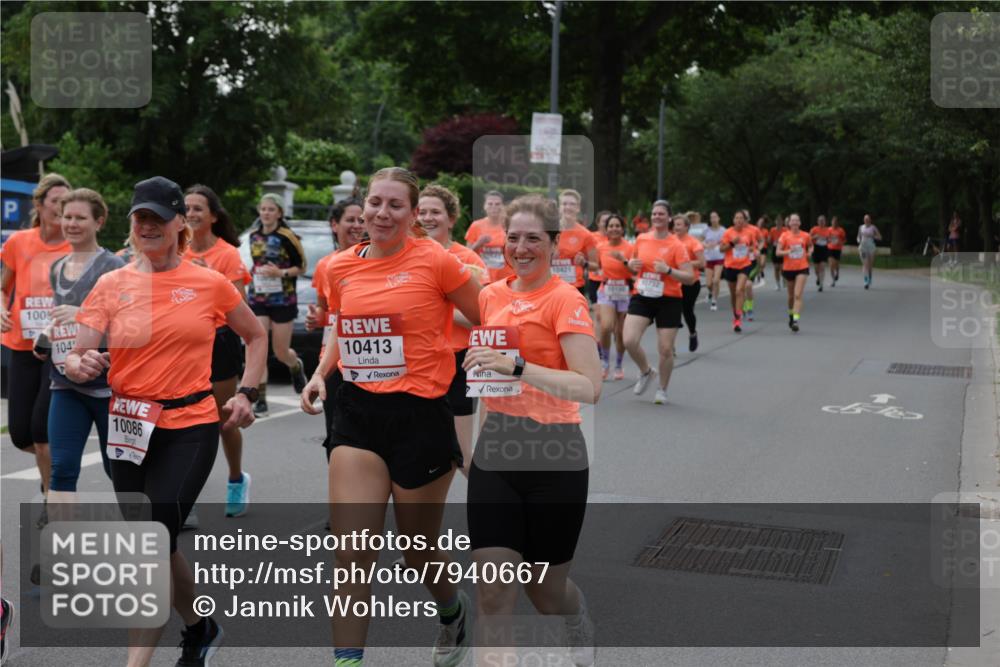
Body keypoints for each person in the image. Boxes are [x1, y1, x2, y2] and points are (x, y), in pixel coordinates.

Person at [65, 176, 266, 667]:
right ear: (131, 225)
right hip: (128, 425)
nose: (149, 225)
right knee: (154, 539)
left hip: (190, 422)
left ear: (181, 223)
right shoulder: (111, 284)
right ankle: (200, 626)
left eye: (158, 217)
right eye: (141, 218)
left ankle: (136, 663)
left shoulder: (208, 282)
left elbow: (256, 336)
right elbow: (78, 353)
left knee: (150, 545)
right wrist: (78, 364)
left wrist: (246, 392)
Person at [300, 168, 482, 667]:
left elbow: (487, 316)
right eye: (374, 204)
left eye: (394, 206)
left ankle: (452, 611)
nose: (381, 214)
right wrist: (321, 372)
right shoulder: (340, 267)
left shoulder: (437, 261)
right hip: (357, 412)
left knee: (417, 548)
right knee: (352, 552)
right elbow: (342, 324)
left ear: (412, 213)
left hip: (421, 414)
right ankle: (347, 661)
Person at [462, 194, 601, 667]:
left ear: (554, 245)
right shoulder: (490, 294)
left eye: (533, 239)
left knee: (546, 594)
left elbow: (589, 386)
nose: (521, 248)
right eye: (513, 238)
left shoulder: (566, 299)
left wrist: (517, 366)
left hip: (556, 455)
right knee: (493, 595)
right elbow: (484, 376)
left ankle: (576, 612)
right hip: (498, 450)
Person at [38, 189, 124, 504]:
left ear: (99, 222)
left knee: (117, 468)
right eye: (67, 217)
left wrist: (82, 315)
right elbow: (63, 318)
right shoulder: (57, 266)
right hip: (65, 382)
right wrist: (47, 335)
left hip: (108, 386)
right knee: (62, 467)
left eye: (80, 218)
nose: (72, 224)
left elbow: (127, 323)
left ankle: (165, 512)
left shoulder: (113, 265)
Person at [1, 173, 71, 508]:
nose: (62, 208)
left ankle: (51, 498)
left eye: (67, 202)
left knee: (42, 431)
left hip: (59, 348)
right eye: (56, 201)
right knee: (20, 434)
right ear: (40, 205)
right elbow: (2, 286)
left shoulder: (77, 246)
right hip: (20, 345)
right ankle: (56, 466)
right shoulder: (19, 243)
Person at [183, 184, 253, 518]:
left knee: (223, 421)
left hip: (220, 341)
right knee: (183, 420)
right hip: (182, 342)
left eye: (198, 208)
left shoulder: (226, 255)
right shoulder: (174, 250)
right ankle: (184, 495)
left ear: (213, 215)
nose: (192, 214)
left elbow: (239, 308)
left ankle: (236, 479)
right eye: (187, 208)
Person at [418, 183, 488, 476]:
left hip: (458, 360)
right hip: (418, 362)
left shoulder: (468, 260)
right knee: (422, 453)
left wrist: (439, 309)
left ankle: (492, 506)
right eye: (421, 211)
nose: (427, 218)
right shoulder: (406, 255)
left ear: (451, 218)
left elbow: (484, 317)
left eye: (436, 212)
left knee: (461, 455)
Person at [305, 197, 365, 461]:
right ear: (334, 224)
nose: (356, 225)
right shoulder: (326, 265)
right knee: (335, 431)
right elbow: (324, 310)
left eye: (361, 220)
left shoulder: (373, 260)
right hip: (331, 359)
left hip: (366, 357)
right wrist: (315, 319)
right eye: (350, 220)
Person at [623, 200, 696, 404]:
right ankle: (646, 371)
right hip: (643, 295)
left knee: (665, 349)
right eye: (654, 214)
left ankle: (662, 389)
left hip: (669, 299)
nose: (657, 217)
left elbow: (690, 277)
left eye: (661, 214)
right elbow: (632, 266)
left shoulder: (677, 245)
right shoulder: (642, 239)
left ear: (669, 218)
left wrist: (669, 271)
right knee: (629, 340)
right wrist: (630, 265)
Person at [246, 193, 308, 416]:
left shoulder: (287, 237)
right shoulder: (253, 236)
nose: (266, 213)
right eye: (263, 209)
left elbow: (301, 266)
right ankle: (260, 399)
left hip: (283, 298)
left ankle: (295, 365)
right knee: (259, 347)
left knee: (280, 351)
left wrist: (279, 272)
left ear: (279, 213)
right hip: (259, 298)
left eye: (271, 209)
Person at [594, 214, 632, 379]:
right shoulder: (601, 247)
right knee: (606, 327)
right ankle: (604, 362)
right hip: (607, 289)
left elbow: (636, 271)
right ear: (606, 229)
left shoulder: (630, 247)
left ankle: (618, 364)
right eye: (611, 226)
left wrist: (624, 260)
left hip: (625, 291)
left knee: (621, 332)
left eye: (617, 226)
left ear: (623, 229)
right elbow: (596, 265)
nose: (614, 229)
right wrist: (585, 263)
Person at [554, 190, 600, 300]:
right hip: (550, 286)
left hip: (574, 288)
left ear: (578, 208)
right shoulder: (548, 231)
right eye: (564, 204)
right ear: (559, 207)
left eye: (572, 204)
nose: (568, 207)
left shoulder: (586, 235)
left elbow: (596, 266)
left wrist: (584, 263)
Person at [719, 210, 756, 332]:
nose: (739, 220)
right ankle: (736, 315)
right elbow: (721, 249)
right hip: (730, 266)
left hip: (744, 265)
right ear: (733, 220)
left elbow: (753, 246)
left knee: (740, 290)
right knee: (734, 294)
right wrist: (731, 243)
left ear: (745, 220)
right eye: (737, 218)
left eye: (741, 218)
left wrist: (750, 249)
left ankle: (738, 319)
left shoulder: (749, 233)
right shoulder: (728, 232)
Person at [465, 190, 512, 284]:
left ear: (503, 206)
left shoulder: (510, 225)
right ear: (485, 206)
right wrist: (478, 243)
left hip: (506, 278)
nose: (494, 207)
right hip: (483, 277)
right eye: (490, 204)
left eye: (497, 204)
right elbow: (467, 255)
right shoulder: (476, 226)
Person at [776, 213, 813, 333]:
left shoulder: (806, 235)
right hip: (788, 269)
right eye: (793, 221)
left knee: (798, 295)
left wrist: (809, 252)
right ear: (789, 223)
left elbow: (811, 246)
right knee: (791, 297)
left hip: (802, 267)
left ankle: (796, 320)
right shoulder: (784, 236)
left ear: (800, 223)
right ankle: (791, 315)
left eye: (797, 221)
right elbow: (778, 252)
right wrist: (788, 251)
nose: (795, 223)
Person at [673, 214, 705, 352]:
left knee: (687, 310)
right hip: (673, 282)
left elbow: (702, 263)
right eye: (674, 224)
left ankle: (692, 333)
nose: (676, 227)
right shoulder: (670, 241)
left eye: (679, 224)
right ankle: (670, 346)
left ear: (686, 226)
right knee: (672, 312)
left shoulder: (694, 243)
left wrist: (684, 263)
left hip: (690, 282)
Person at [743, 213, 766, 321]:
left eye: (746, 217)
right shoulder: (734, 230)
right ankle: (743, 306)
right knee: (740, 287)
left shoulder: (754, 229)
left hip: (752, 261)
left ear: (748, 218)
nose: (744, 219)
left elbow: (762, 241)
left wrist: (758, 250)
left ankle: (750, 308)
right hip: (738, 262)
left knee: (747, 285)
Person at [702, 210, 725, 311]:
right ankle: (711, 293)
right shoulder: (706, 230)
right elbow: (700, 241)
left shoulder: (723, 230)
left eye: (715, 217)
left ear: (719, 218)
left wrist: (720, 245)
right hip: (708, 259)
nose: (713, 219)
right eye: (712, 217)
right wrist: (706, 245)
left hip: (719, 258)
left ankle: (714, 301)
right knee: (708, 284)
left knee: (716, 280)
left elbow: (727, 242)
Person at [857, 214, 882, 289]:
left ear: (870, 220)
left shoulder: (873, 227)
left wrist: (872, 236)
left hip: (871, 248)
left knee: (870, 266)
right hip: (863, 247)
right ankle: (865, 281)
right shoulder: (861, 227)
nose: (866, 220)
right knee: (865, 265)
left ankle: (870, 278)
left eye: (868, 219)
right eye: (865, 219)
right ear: (863, 220)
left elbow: (880, 237)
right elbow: (858, 236)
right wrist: (859, 240)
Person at [810, 215, 831, 291]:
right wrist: (814, 237)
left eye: (823, 221)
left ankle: (821, 285)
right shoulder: (814, 229)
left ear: (825, 222)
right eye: (820, 221)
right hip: (816, 248)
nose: (821, 222)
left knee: (822, 267)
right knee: (816, 269)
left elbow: (830, 240)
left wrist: (828, 239)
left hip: (824, 249)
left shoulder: (828, 230)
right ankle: (818, 278)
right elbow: (808, 239)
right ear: (818, 222)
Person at [828, 216, 847, 286]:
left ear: (837, 223)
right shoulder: (829, 230)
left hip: (838, 249)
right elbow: (826, 238)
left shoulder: (841, 230)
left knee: (836, 264)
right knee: (831, 265)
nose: (834, 223)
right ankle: (833, 280)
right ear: (831, 222)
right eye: (833, 222)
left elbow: (844, 240)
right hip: (830, 248)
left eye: (835, 222)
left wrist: (841, 242)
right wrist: (828, 240)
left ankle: (837, 273)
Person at [769, 214, 786, 290]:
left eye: (780, 221)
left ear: (782, 222)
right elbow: (769, 240)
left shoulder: (785, 230)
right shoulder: (772, 230)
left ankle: (784, 280)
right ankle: (777, 283)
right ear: (775, 222)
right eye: (777, 221)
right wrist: (771, 240)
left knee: (782, 268)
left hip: (783, 249)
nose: (778, 222)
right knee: (776, 268)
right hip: (775, 249)